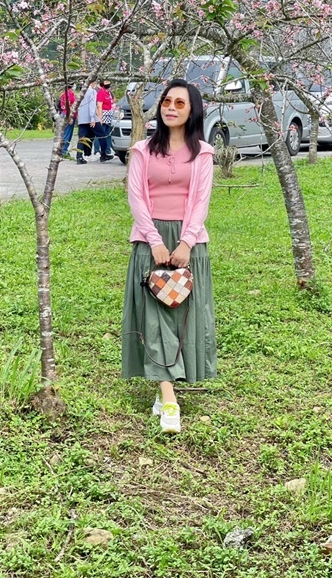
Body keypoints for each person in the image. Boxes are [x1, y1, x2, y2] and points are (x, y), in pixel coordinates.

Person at [122, 78, 216, 434]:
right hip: (150, 241)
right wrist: (155, 241)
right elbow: (136, 199)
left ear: (192, 110)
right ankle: (170, 400)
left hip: (190, 242)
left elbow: (201, 201)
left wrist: (186, 243)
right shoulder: (143, 151)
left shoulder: (203, 153)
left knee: (183, 317)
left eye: (179, 103)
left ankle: (165, 393)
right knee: (153, 317)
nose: (170, 108)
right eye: (166, 101)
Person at [75, 79, 98, 165]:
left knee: (82, 138)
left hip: (82, 118)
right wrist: (92, 118)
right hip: (88, 118)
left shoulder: (81, 91)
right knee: (90, 137)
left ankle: (80, 155)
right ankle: (85, 154)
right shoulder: (92, 92)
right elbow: (92, 105)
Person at [93, 79, 115, 161]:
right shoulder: (101, 92)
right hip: (103, 113)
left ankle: (107, 150)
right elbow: (99, 105)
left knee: (107, 133)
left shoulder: (108, 92)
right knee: (100, 133)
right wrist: (100, 117)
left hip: (109, 113)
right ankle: (97, 150)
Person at [58, 85, 77, 158]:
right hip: (67, 114)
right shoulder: (68, 93)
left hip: (65, 114)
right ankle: (63, 151)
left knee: (65, 133)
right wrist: (70, 116)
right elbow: (68, 105)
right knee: (67, 134)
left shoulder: (65, 93)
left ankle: (62, 150)